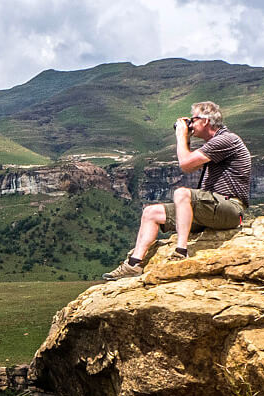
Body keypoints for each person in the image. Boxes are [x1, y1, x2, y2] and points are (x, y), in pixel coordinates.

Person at [103, 101, 251, 280]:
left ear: (205, 121)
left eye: (193, 120)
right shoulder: (215, 142)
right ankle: (133, 265)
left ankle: (181, 251)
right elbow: (188, 167)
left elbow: (185, 163)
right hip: (212, 209)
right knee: (151, 212)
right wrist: (186, 137)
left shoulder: (227, 139)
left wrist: (181, 136)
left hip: (231, 208)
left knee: (181, 193)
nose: (190, 124)